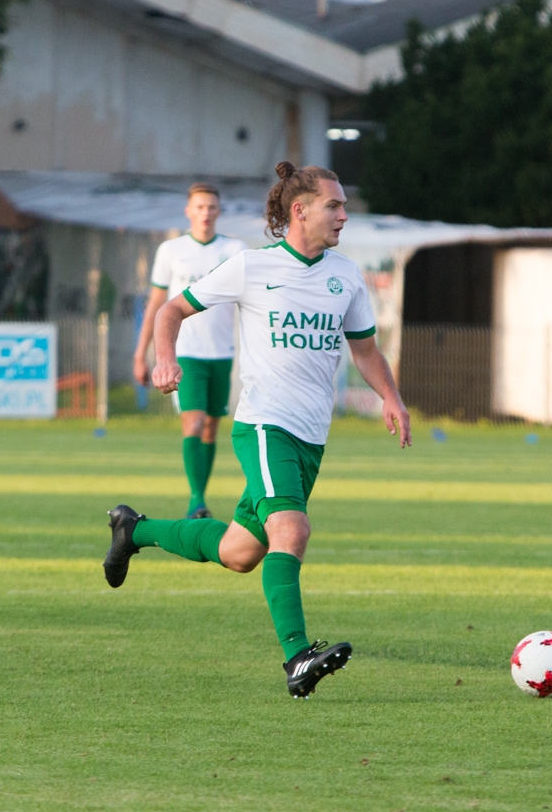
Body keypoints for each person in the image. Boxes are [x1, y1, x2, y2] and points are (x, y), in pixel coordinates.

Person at [102, 162, 411, 698]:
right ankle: (297, 656)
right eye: (333, 206)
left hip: (311, 436)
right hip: (266, 426)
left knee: (241, 552)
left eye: (343, 206)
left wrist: (392, 396)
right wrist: (163, 359)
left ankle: (134, 529)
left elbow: (364, 349)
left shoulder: (345, 276)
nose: (343, 215)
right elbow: (171, 311)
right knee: (292, 531)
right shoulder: (250, 266)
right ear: (300, 210)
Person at [131, 183, 248, 518]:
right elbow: (158, 303)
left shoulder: (234, 249)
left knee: (211, 426)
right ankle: (196, 499)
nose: (205, 213)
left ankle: (201, 495)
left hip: (222, 351)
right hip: (186, 352)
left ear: (219, 211)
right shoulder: (171, 250)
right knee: (194, 422)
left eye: (211, 207)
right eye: (199, 207)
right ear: (188, 211)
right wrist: (143, 353)